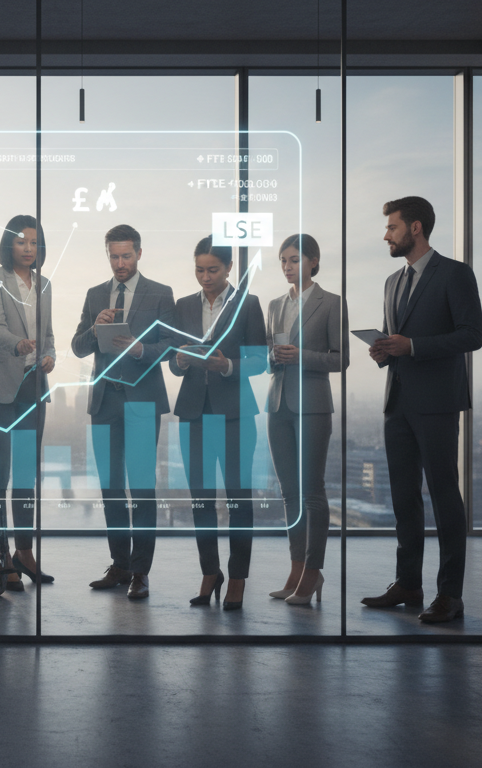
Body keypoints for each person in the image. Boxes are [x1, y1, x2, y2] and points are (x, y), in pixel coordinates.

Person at [362, 196, 482, 623]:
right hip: (398, 402)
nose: (386, 235)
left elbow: (472, 335)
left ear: (415, 228)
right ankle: (408, 583)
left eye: (392, 227)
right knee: (403, 498)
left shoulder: (455, 274)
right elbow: (398, 340)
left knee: (444, 495)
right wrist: (385, 351)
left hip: (436, 403)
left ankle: (450, 594)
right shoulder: (392, 281)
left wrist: (412, 346)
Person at [72, 224, 176, 600]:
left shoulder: (161, 294)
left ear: (139, 254)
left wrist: (139, 350)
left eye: (126, 256)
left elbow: (171, 346)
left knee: (142, 490)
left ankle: (140, 572)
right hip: (104, 403)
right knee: (111, 489)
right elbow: (78, 347)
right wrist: (94, 327)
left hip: (142, 401)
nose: (120, 263)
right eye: (114, 256)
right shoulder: (95, 294)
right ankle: (119, 565)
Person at [169, 236, 267, 611]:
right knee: (200, 500)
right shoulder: (183, 306)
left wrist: (226, 366)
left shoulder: (249, 304)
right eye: (199, 270)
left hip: (236, 414)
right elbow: (172, 360)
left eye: (213, 270)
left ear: (229, 269)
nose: (205, 277)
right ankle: (210, 572)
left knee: (240, 500)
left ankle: (238, 578)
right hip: (193, 413)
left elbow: (260, 361)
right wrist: (179, 361)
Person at [0, 215, 57, 591]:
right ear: (9, 244)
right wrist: (19, 345)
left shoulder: (45, 284)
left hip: (32, 387)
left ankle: (24, 553)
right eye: (21, 241)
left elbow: (48, 333)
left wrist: (49, 354)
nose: (27, 248)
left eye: (34, 242)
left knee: (25, 478)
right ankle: (1, 555)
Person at [263, 234, 349, 606]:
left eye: (295, 260)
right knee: (289, 493)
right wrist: (274, 358)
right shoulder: (274, 305)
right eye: (283, 260)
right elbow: (267, 357)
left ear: (313, 262)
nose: (287, 267)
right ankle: (296, 570)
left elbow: (340, 360)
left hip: (313, 404)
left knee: (311, 492)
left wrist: (301, 356)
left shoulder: (332, 304)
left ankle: (313, 573)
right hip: (278, 404)